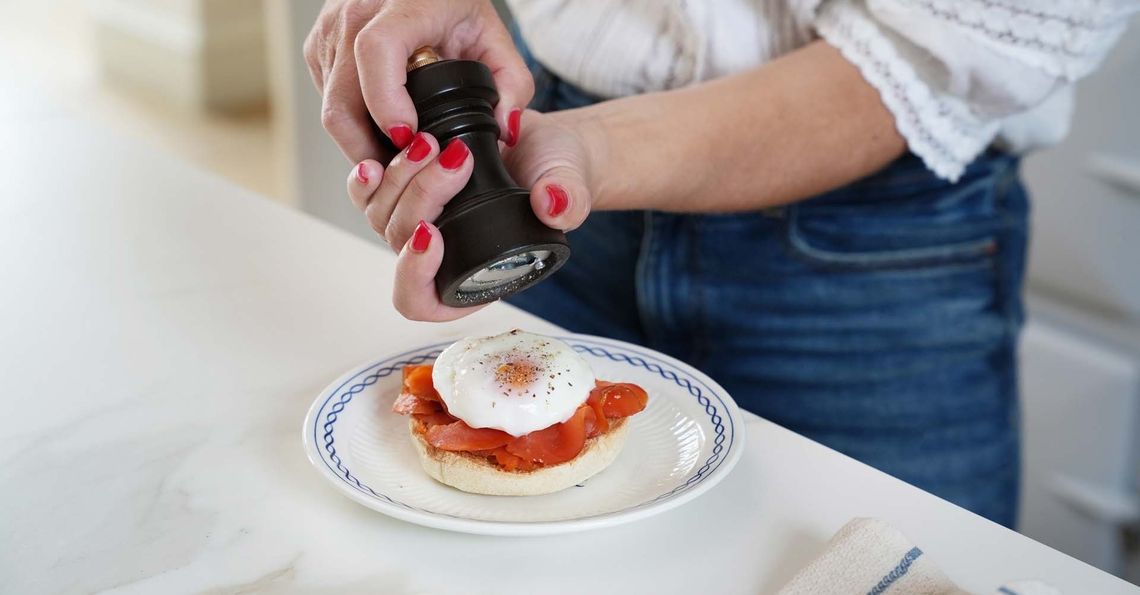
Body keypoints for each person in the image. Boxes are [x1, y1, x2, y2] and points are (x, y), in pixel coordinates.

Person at [304, 0, 1137, 526]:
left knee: (906, 565)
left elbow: (951, 45)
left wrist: (588, 150)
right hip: (545, 142)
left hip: (878, 256)